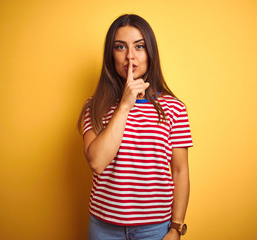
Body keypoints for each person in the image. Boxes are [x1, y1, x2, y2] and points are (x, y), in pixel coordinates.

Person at [78, 14, 193, 240]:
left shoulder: (174, 108)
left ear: (150, 53)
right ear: (111, 55)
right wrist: (125, 105)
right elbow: (97, 162)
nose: (130, 56)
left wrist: (176, 228)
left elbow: (180, 171)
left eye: (139, 46)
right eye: (120, 47)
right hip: (104, 228)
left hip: (156, 229)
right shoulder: (95, 105)